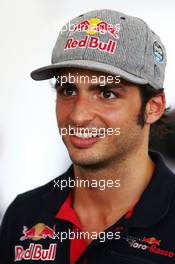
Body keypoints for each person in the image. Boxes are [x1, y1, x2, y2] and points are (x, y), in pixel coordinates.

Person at [0, 9, 175, 264]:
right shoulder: (24, 215)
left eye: (107, 94)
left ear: (153, 107)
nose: (79, 116)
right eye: (68, 90)